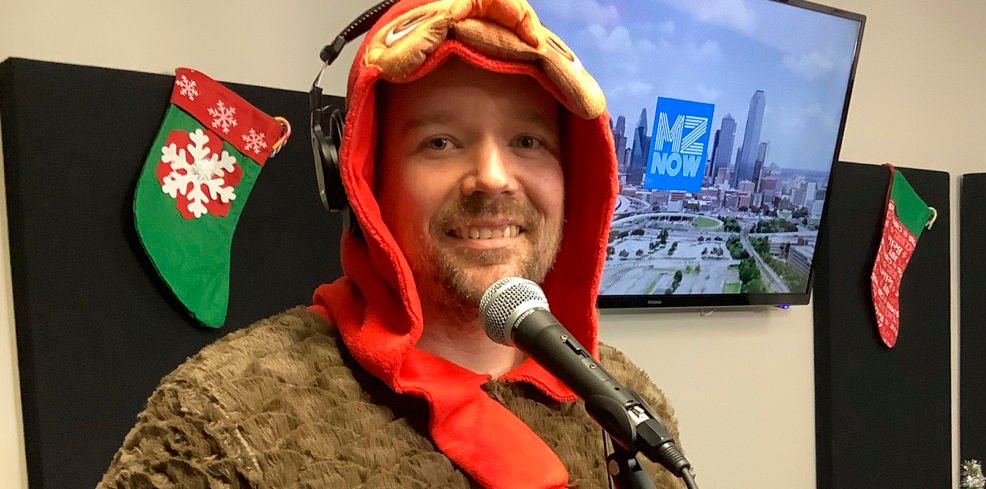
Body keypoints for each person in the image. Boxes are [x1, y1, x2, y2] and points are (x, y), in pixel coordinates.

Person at [98, 0, 689, 487]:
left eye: (528, 141)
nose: (493, 175)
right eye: (440, 141)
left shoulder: (627, 410)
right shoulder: (224, 421)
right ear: (363, 181)